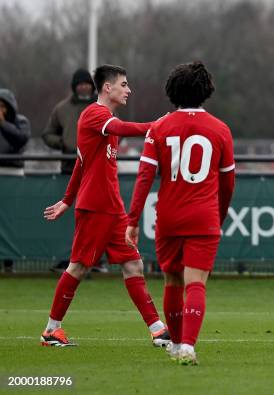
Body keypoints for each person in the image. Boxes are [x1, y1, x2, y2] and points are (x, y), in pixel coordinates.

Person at [40, 64, 169, 347]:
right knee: (78, 267)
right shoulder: (96, 115)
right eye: (124, 84)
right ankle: (51, 330)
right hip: (96, 207)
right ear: (107, 87)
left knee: (133, 264)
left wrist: (66, 200)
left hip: (112, 208)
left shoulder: (105, 119)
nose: (129, 89)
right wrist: (159, 125)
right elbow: (123, 129)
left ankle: (158, 329)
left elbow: (81, 163)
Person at [126, 61, 235, 366]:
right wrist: (219, 216)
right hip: (204, 216)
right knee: (196, 283)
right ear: (206, 91)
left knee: (172, 280)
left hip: (169, 218)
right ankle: (188, 346)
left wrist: (132, 220)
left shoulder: (159, 128)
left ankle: (174, 344)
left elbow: (144, 177)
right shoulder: (220, 129)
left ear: (172, 91)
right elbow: (228, 185)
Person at [42, 68, 104, 273]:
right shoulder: (62, 108)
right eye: (80, 84)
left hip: (96, 171)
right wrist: (64, 143)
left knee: (95, 217)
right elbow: (48, 134)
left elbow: (115, 132)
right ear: (74, 86)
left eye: (87, 83)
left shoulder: (101, 107)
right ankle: (67, 257)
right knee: (68, 218)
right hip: (69, 169)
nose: (84, 87)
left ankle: (96, 259)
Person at [0, 88, 31, 273]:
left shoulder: (21, 122)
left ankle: (9, 262)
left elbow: (21, 140)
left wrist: (3, 124)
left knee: (11, 220)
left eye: (3, 106)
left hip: (13, 175)